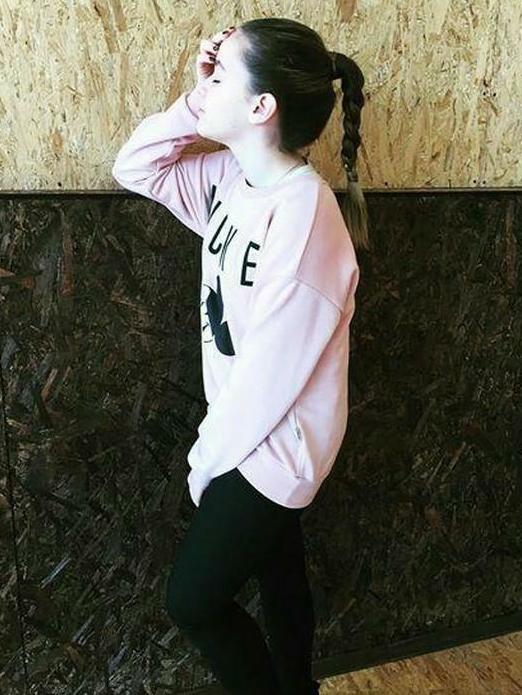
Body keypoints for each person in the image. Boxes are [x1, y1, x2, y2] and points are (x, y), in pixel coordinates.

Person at [112, 17, 368, 694]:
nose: (207, 83)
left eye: (221, 76)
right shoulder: (230, 179)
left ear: (262, 107)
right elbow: (134, 166)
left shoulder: (305, 213)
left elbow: (269, 376)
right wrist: (199, 98)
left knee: (193, 601)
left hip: (275, 443)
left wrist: (206, 463)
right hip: (244, 431)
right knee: (280, 571)